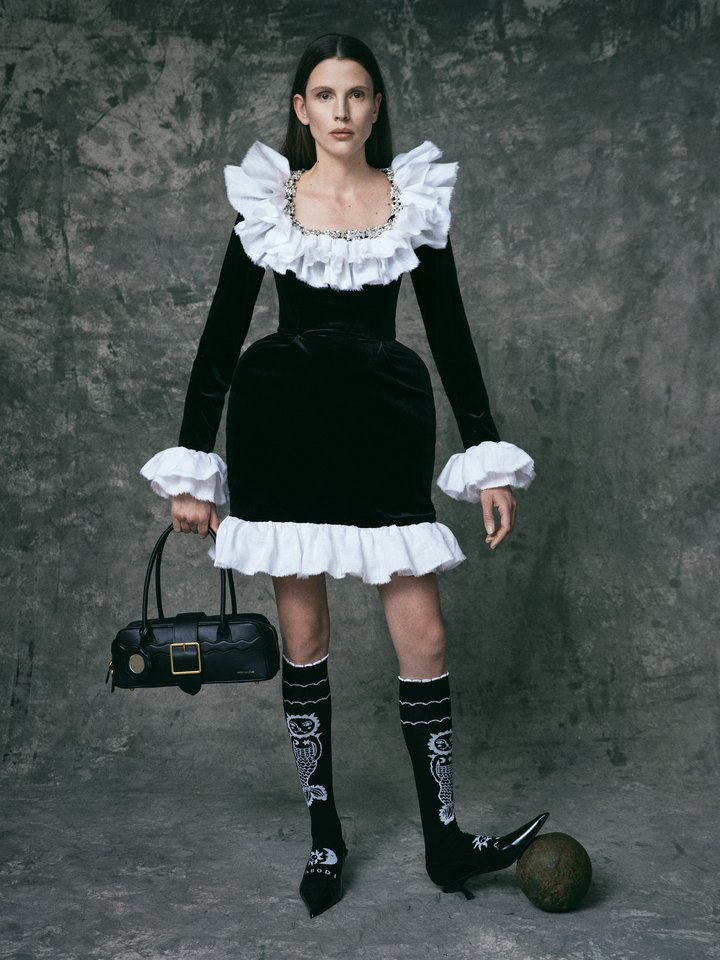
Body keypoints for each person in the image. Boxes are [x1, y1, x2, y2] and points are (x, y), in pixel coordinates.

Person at [141, 33, 547, 918]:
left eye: (356, 94)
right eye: (324, 95)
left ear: (375, 108)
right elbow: (220, 338)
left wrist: (487, 460)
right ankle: (325, 834)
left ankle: (444, 838)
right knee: (305, 633)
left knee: (424, 634)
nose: (340, 110)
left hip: (384, 423)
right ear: (301, 109)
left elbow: (451, 334)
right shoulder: (268, 202)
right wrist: (192, 473)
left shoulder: (413, 201)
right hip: (281, 426)